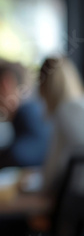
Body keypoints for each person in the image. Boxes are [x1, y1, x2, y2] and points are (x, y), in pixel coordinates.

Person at [38, 57, 84, 195]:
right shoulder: (78, 105)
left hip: (75, 198)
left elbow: (54, 164)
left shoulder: (67, 111)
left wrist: (41, 186)